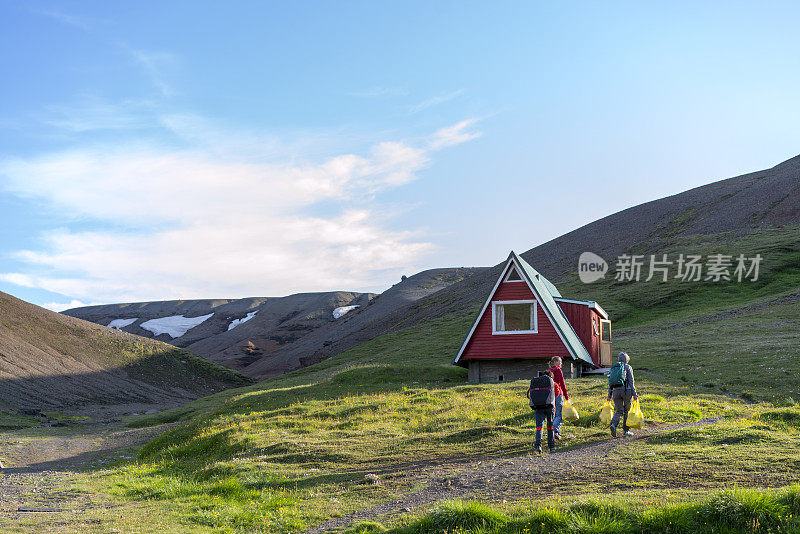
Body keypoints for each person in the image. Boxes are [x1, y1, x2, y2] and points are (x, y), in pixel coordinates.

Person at [607, 351, 638, 437]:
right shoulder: (628, 367)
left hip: (615, 392)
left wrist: (609, 396)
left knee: (619, 411)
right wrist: (635, 394)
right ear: (626, 359)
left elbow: (610, 383)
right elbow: (631, 382)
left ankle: (613, 424)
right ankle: (626, 431)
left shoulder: (613, 368)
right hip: (626, 391)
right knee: (626, 411)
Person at [527, 370, 556, 454]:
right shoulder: (552, 383)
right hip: (549, 407)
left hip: (538, 407)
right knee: (550, 426)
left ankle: (538, 445)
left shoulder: (536, 382)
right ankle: (552, 447)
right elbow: (556, 394)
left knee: (539, 427)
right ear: (551, 377)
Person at [549, 356, 569, 439]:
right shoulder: (558, 370)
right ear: (555, 362)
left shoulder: (549, 371)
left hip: (550, 395)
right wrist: (566, 396)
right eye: (560, 362)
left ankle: (553, 432)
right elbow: (562, 384)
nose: (561, 364)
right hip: (558, 393)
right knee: (559, 414)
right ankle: (555, 430)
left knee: (553, 414)